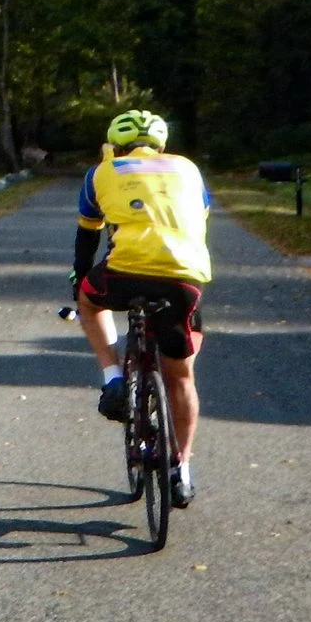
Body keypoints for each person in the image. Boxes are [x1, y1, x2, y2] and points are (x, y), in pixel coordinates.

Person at [73, 109, 211, 508]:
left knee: (88, 297)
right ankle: (181, 469)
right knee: (181, 377)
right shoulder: (188, 170)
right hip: (182, 277)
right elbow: (197, 220)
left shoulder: (102, 172)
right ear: (162, 145)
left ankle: (114, 377)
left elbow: (87, 235)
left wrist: (78, 279)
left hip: (124, 273)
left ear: (114, 144)